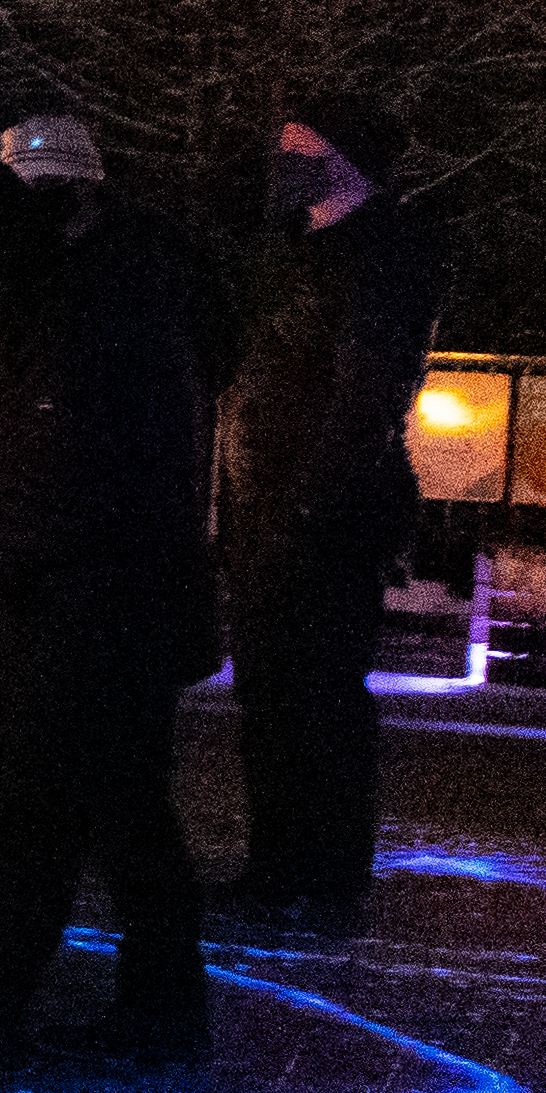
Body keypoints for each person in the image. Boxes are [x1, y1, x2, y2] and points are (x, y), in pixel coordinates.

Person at [0, 113, 218, 1072]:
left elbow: (82, 461)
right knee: (124, 807)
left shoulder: (105, 296)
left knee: (46, 808)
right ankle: (161, 1008)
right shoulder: (61, 293)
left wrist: (22, 561)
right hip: (72, 587)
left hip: (90, 594)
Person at [209, 88, 454, 938]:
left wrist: (310, 504)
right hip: (258, 505)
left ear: (343, 154)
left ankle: (329, 875)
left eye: (299, 146)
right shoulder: (286, 245)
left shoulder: (383, 250)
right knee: (268, 696)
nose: (280, 162)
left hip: (324, 515)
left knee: (321, 699)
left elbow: (367, 397)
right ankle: (276, 866)